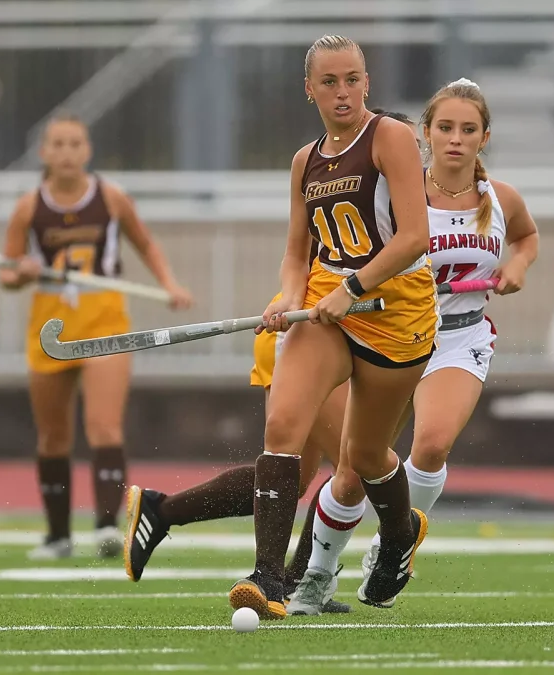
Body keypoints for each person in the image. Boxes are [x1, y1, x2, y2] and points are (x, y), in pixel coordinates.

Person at [121, 109, 422, 618]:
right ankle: (291, 581)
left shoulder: (432, 198)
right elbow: (305, 254)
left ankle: (161, 510)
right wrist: (296, 296)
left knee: (304, 476)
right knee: (349, 467)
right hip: (318, 327)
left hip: (365, 329)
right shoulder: (350, 171)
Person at [286, 78, 540, 613]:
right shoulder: (401, 189)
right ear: (424, 134)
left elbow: (526, 237)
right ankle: (318, 572)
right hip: (393, 333)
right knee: (356, 467)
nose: (455, 139)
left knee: (430, 445)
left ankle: (393, 545)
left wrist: (516, 265)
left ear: (484, 137)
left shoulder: (501, 199)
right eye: (444, 127)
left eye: (467, 130)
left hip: (457, 336)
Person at [232, 34, 438, 621]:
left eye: (352, 79)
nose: (342, 92)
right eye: (329, 82)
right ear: (310, 90)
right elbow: (298, 252)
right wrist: (290, 298)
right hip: (327, 305)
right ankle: (268, 576)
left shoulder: (391, 138)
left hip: (394, 312)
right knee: (283, 421)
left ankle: (399, 534)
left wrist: (354, 288)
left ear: (366, 82)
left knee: (366, 454)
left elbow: (413, 237)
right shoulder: (305, 161)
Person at [0, 114, 192, 561]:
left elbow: (146, 245)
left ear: (87, 151)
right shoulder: (29, 207)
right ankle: (57, 535)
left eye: (75, 144)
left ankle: (106, 525)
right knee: (52, 436)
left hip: (105, 321)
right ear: (44, 153)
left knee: (104, 425)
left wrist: (170, 284)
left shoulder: (111, 198)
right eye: (58, 144)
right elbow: (8, 272)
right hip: (50, 324)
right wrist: (21, 272)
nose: (67, 152)